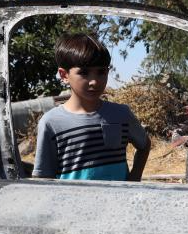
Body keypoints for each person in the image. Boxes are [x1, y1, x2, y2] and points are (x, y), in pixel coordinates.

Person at [33, 34, 151, 181]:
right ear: (64, 75)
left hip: (119, 196)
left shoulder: (121, 114)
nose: (94, 81)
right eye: (84, 72)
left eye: (101, 72)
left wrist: (134, 178)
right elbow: (44, 177)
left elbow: (144, 145)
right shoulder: (51, 123)